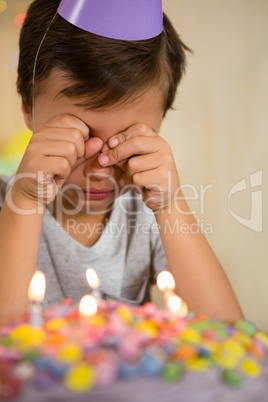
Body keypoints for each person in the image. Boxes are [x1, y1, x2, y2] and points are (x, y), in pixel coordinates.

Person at [0, 0, 243, 324]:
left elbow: (229, 337)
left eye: (129, 139)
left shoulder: (146, 214)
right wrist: (25, 199)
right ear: (28, 108)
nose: (102, 169)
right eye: (81, 136)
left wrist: (170, 203)